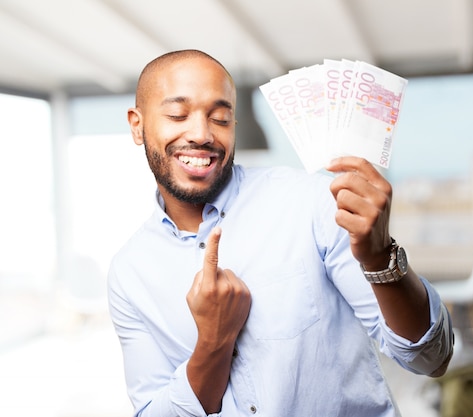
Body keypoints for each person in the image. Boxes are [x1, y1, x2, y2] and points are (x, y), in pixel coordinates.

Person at [107, 49, 454, 417]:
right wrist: (214, 341)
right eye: (177, 114)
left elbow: (431, 358)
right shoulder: (129, 273)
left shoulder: (313, 204)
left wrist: (380, 258)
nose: (202, 134)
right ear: (137, 125)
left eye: (221, 117)